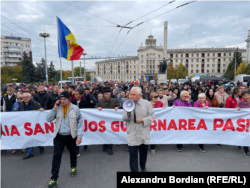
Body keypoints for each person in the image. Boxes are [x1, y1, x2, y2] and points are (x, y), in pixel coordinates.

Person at [45, 91, 84, 188]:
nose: (62, 101)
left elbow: (80, 123)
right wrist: (54, 108)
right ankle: (54, 179)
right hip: (59, 136)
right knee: (56, 156)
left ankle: (73, 166)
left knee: (72, 152)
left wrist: (79, 136)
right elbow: (48, 119)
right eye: (61, 99)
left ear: (68, 99)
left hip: (71, 135)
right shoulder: (57, 108)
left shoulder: (75, 108)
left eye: (64, 99)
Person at [122, 87, 155, 172]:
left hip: (143, 133)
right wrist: (128, 112)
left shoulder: (147, 104)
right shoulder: (127, 104)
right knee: (133, 156)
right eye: (130, 94)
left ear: (139, 95)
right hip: (132, 133)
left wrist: (142, 120)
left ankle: (143, 167)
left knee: (143, 153)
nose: (131, 96)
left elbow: (152, 117)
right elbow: (124, 118)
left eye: (133, 94)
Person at [18, 93, 44, 159]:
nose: (25, 98)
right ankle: (30, 153)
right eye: (23, 97)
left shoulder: (35, 103)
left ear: (30, 97)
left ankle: (40, 146)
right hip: (26, 125)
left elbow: (42, 109)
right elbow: (18, 114)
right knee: (27, 138)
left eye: (26, 97)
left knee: (36, 137)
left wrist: (41, 109)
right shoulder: (21, 105)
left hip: (34, 123)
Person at [95, 87, 119, 155]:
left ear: (110, 94)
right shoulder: (101, 101)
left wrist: (117, 107)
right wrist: (98, 108)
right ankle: (104, 145)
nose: (106, 95)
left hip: (111, 121)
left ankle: (110, 148)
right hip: (103, 122)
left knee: (110, 134)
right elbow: (96, 106)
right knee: (104, 134)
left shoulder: (114, 100)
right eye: (105, 94)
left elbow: (118, 106)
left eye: (107, 94)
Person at [72, 89, 89, 155]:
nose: (75, 96)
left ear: (80, 95)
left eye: (77, 94)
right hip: (75, 122)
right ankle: (77, 149)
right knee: (76, 134)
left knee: (84, 133)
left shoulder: (85, 102)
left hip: (84, 121)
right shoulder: (73, 103)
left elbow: (88, 112)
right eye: (74, 94)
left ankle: (85, 144)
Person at [236, 91, 250, 157]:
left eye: (248, 95)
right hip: (244, 123)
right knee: (245, 134)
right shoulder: (240, 103)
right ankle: (246, 150)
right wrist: (237, 109)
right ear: (243, 96)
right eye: (245, 96)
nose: (247, 97)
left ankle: (239, 142)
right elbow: (235, 111)